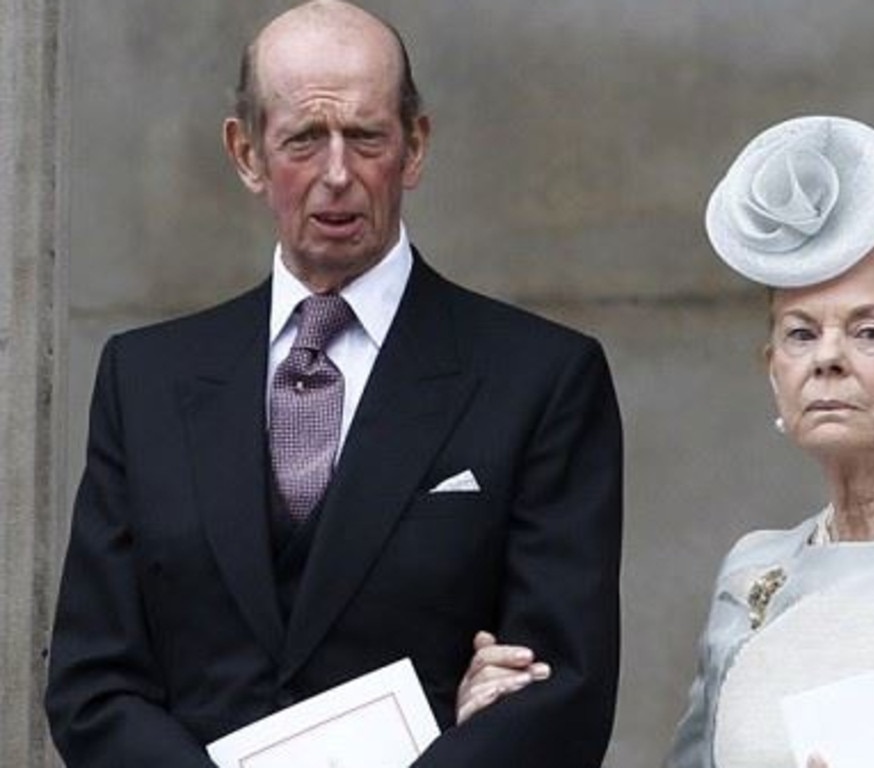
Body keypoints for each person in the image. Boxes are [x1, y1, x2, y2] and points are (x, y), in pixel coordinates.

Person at [44, 2, 623, 767]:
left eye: (367, 136)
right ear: (246, 153)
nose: (338, 174)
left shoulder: (541, 378)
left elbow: (560, 690)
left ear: (415, 146)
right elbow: (92, 683)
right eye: (304, 139)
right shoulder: (145, 378)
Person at [457, 112, 874, 766]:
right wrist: (501, 728)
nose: (828, 358)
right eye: (801, 333)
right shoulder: (755, 572)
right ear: (772, 369)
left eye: (869, 332)